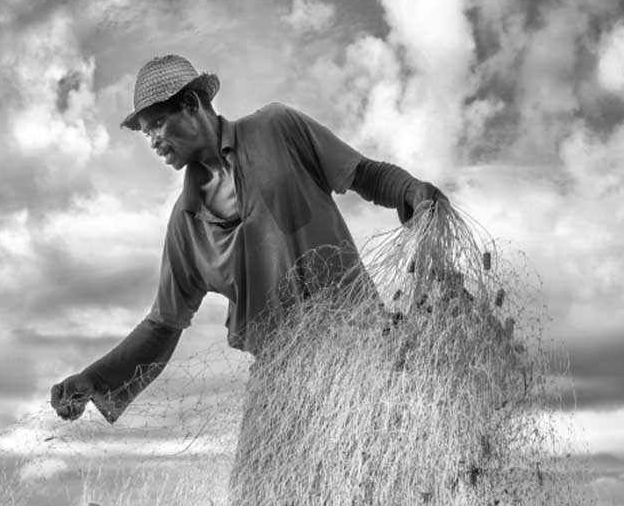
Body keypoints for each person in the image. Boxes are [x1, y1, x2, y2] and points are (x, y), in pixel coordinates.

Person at [50, 54, 449, 422]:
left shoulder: (277, 128)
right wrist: (93, 379)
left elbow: (363, 174)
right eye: (145, 132)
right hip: (283, 386)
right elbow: (163, 324)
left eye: (156, 124)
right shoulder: (186, 224)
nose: (152, 140)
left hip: (364, 346)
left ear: (191, 103)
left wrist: (412, 192)